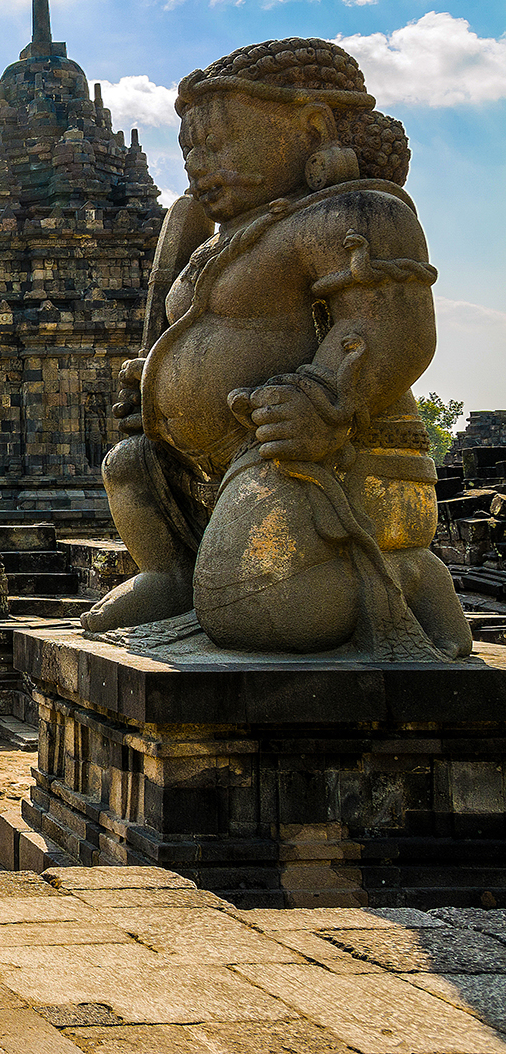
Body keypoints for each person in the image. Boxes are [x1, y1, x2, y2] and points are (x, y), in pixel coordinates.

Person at [83, 38, 465, 659]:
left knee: (259, 614)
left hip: (320, 456)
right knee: (129, 466)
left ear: (312, 127)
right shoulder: (218, 238)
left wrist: (325, 401)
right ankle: (172, 574)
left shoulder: (357, 213)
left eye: (220, 143)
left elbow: (393, 329)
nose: (199, 165)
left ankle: (408, 577)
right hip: (212, 462)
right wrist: (153, 383)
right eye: (191, 150)